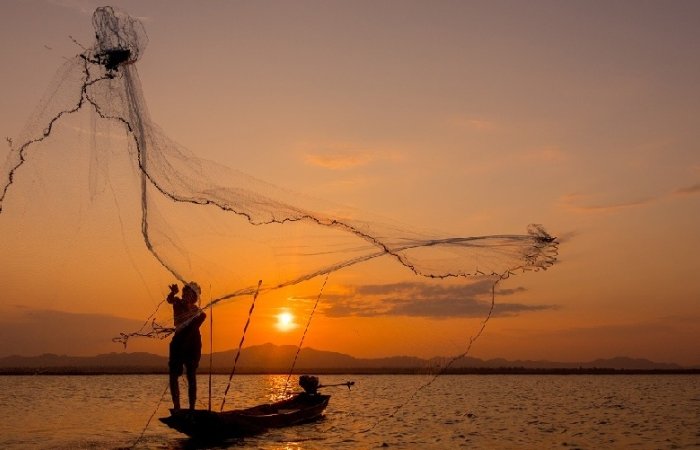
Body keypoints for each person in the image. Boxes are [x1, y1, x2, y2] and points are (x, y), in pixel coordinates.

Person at [167, 282, 206, 410]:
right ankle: (176, 406)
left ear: (194, 297)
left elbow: (201, 318)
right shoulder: (178, 302)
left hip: (193, 342)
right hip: (179, 341)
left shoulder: (197, 311)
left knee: (191, 375)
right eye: (185, 293)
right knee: (173, 375)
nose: (185, 295)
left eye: (189, 293)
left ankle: (191, 408)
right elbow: (170, 300)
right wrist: (173, 292)